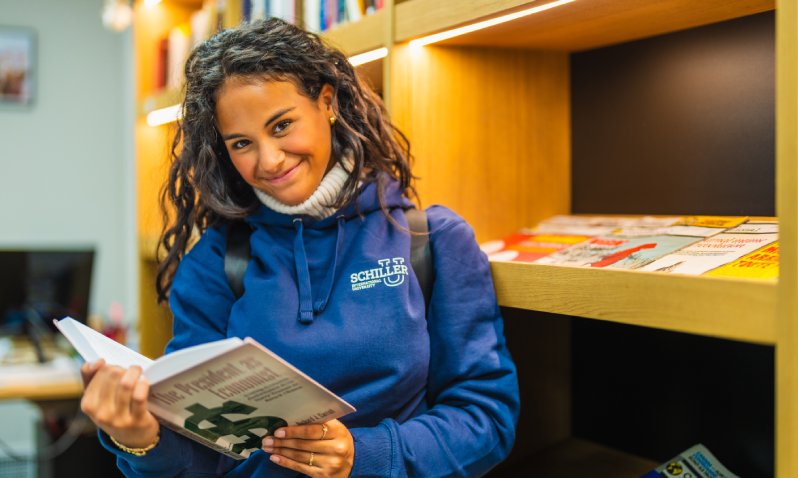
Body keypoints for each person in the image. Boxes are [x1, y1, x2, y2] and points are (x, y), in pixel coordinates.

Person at [79, 18, 519, 478]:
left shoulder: (432, 241)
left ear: (326, 102)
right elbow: (199, 459)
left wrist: (364, 455)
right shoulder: (215, 263)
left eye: (282, 124)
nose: (269, 160)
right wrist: (142, 440)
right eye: (242, 143)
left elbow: (487, 420)